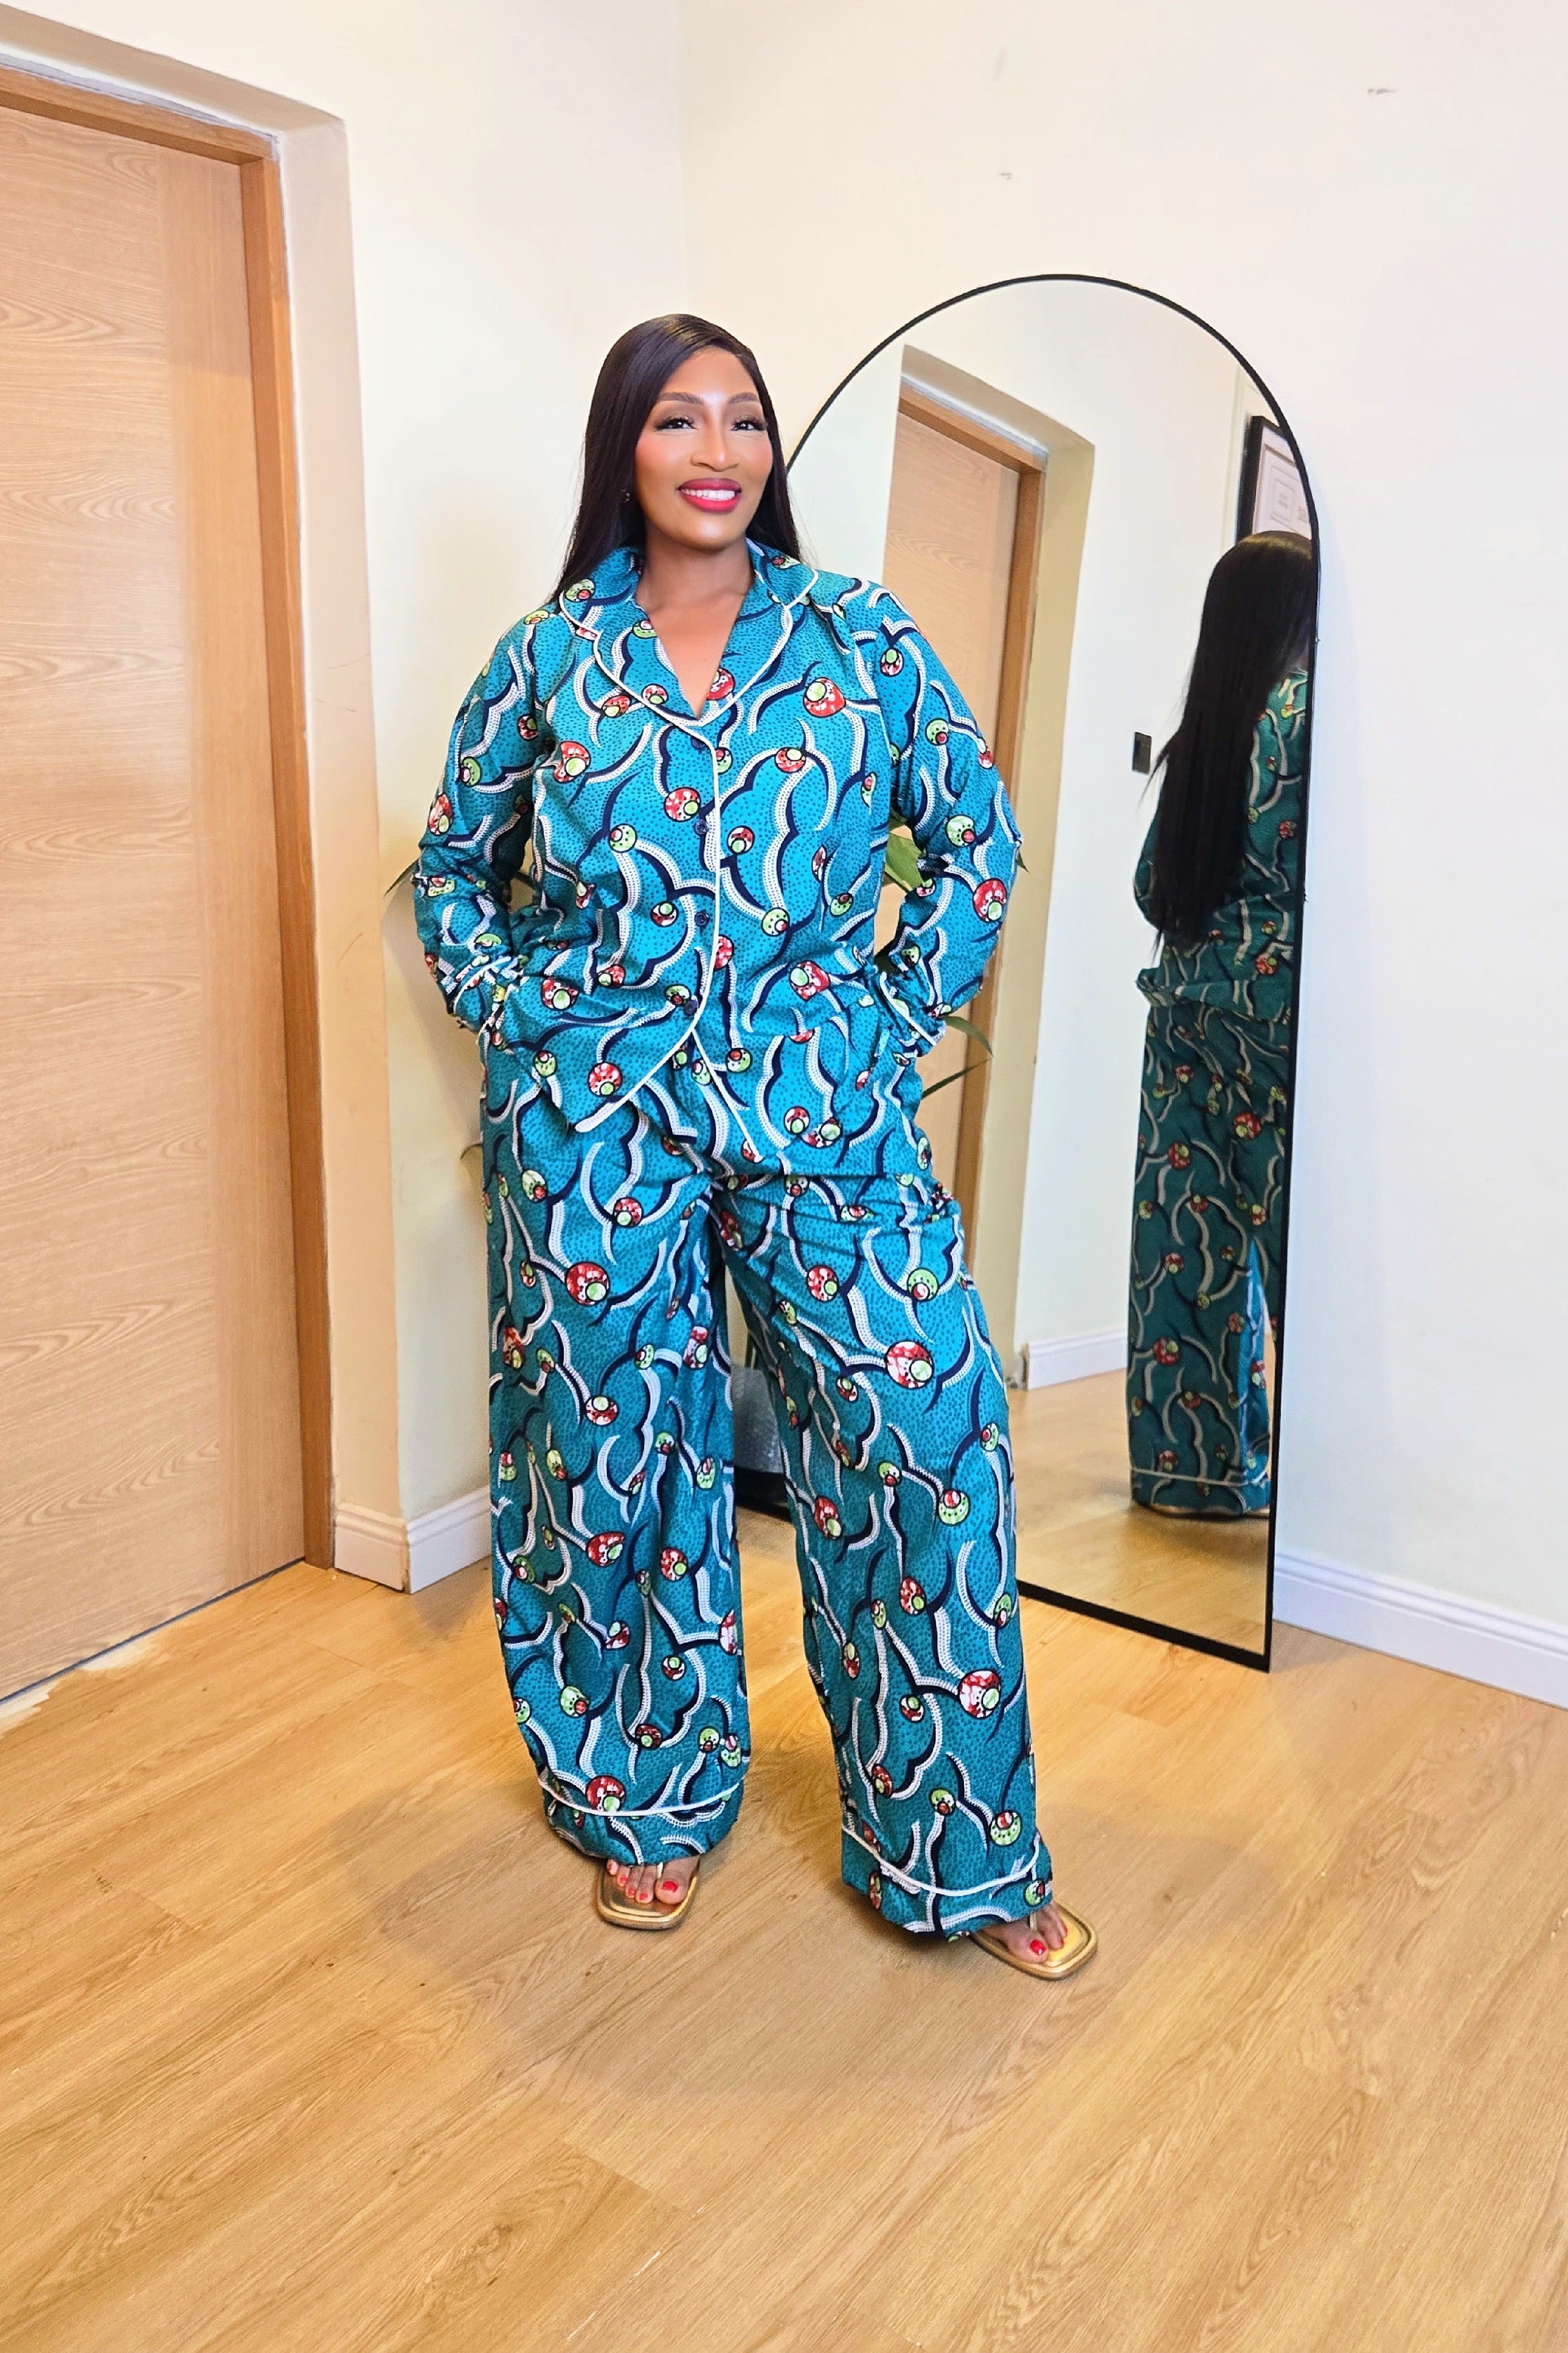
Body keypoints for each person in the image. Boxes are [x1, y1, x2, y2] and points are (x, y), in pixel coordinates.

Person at [416, 314, 1094, 1979]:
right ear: (623, 452)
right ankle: (644, 1803)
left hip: (825, 1108)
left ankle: (959, 1840)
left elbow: (975, 844)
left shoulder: (861, 639)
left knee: (926, 1432)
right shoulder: (548, 657)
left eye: (742, 422)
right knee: (614, 1464)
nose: (715, 451)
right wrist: (525, 1017)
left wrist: (878, 1017)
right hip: (600, 1126)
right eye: (674, 421)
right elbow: (450, 865)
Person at [1126, 529, 1314, 1517]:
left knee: (1185, 1245)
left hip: (1188, 1009)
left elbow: (1155, 888)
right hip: (1280, 1014)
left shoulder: (1207, 729)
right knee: (1298, 1242)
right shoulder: (1306, 718)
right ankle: (1337, 1492)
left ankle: (1193, 1474)